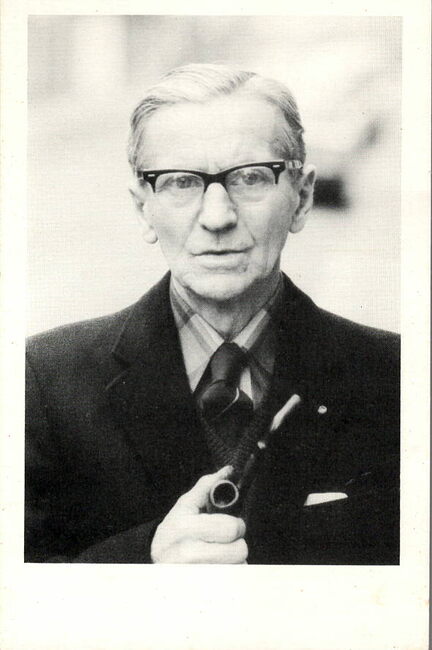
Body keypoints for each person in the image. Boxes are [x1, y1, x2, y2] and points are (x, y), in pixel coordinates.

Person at [25, 63, 400, 564]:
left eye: (250, 178)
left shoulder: (397, 376)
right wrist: (143, 562)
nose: (218, 216)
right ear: (143, 209)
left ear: (303, 198)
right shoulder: (43, 382)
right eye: (181, 182)